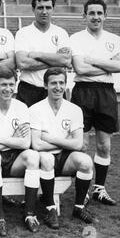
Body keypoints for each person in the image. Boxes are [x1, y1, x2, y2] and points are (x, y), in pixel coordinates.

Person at [70, 0, 120, 206]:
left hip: (105, 92)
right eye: (91, 13)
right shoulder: (75, 38)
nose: (95, 17)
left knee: (104, 145)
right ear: (84, 15)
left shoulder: (114, 39)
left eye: (99, 13)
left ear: (105, 15)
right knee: (81, 144)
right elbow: (80, 69)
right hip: (83, 91)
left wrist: (92, 60)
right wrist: (108, 64)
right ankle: (82, 190)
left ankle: (99, 189)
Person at [29, 67, 97, 229]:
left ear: (66, 85)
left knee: (86, 162)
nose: (58, 87)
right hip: (44, 158)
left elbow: (78, 144)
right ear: (45, 86)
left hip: (66, 159)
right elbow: (36, 144)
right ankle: (50, 209)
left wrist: (49, 137)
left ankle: (79, 207)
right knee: (46, 158)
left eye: (61, 82)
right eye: (53, 83)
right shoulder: (35, 109)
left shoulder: (74, 110)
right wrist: (65, 141)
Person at [0, 68, 41, 236]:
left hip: (15, 161)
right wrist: (11, 138)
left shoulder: (21, 107)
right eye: (3, 85)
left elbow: (25, 142)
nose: (7, 89)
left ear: (16, 85)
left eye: (11, 84)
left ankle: (29, 214)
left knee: (33, 156)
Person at [15, 0, 71, 107]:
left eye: (48, 8)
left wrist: (38, 55)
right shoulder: (23, 33)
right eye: (40, 8)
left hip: (55, 90)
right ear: (33, 9)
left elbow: (65, 61)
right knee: (26, 124)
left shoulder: (61, 33)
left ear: (53, 9)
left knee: (55, 124)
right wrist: (54, 60)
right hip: (29, 89)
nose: (44, 12)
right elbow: (22, 63)